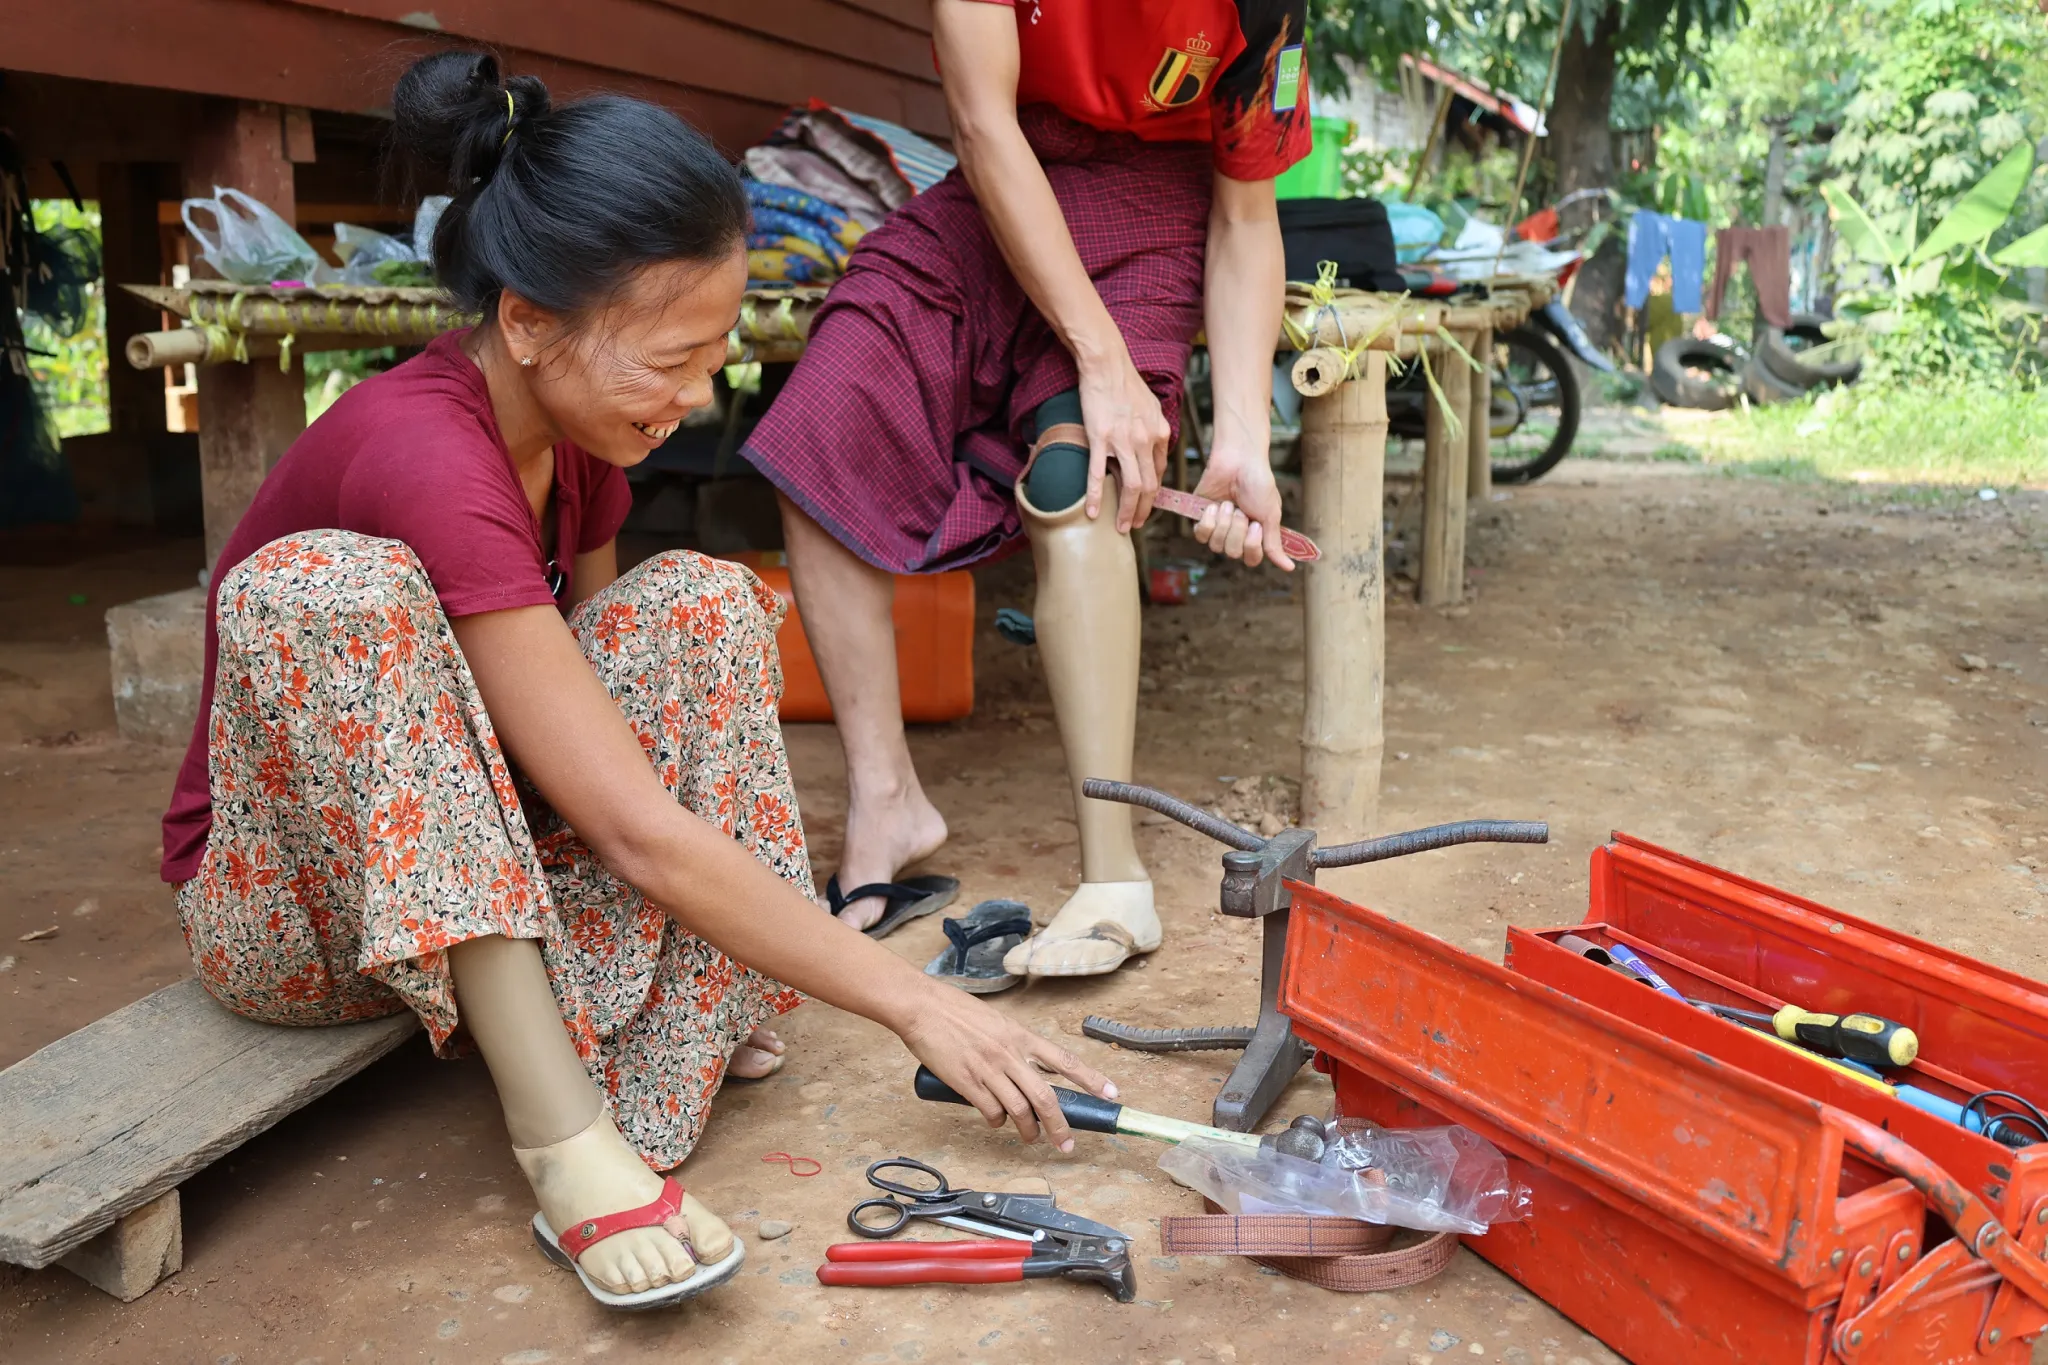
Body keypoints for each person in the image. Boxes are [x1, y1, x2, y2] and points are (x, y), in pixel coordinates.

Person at [160, 50, 1115, 1312]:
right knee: (329, 589)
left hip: (480, 867)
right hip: (302, 917)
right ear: (525, 322)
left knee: (700, 603)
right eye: (668, 357)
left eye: (710, 354)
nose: (696, 395)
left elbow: (599, 736)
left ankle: (665, 1036)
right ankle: (566, 1147)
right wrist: (911, 1004)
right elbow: (626, 823)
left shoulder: (574, 433)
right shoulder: (420, 451)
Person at [744, 0, 1310, 976]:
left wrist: (1245, 443)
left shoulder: (1260, 9)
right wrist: (1096, 356)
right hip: (998, 181)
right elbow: (981, 124)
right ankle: (887, 802)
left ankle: (1112, 880)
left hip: (1146, 208)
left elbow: (1244, 212)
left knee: (1077, 474)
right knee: (824, 413)